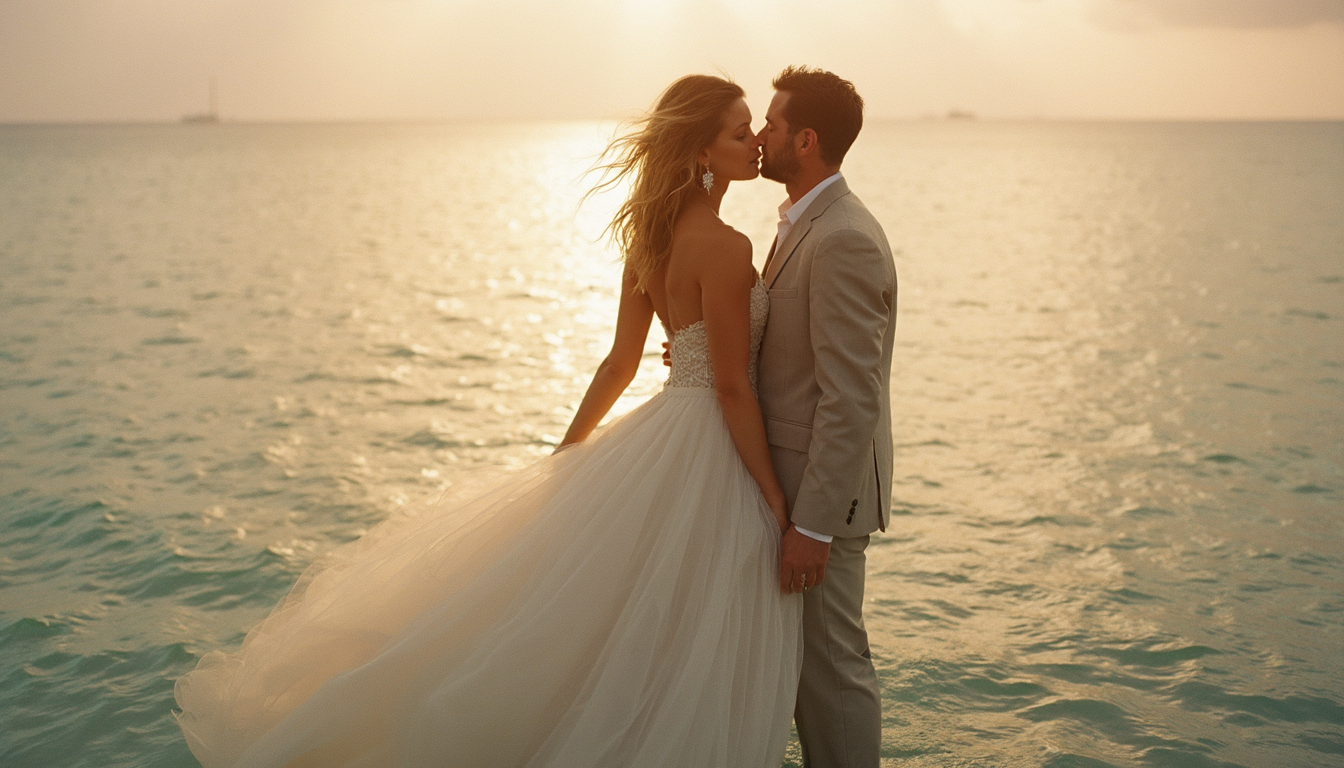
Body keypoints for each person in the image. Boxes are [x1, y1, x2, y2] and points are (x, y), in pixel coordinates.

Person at [174, 74, 803, 768]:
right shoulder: (725, 246)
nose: (753, 143)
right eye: (739, 132)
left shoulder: (649, 240)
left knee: (610, 624)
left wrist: (570, 455)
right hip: (708, 443)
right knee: (688, 635)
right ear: (699, 151)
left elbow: (619, 365)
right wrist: (774, 497)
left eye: (753, 130)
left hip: (662, 434)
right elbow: (732, 389)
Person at [757, 66, 897, 767]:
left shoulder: (843, 237)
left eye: (772, 125)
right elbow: (794, 358)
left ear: (805, 140)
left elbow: (851, 396)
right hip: (793, 490)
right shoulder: (802, 224)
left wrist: (810, 526)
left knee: (831, 670)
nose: (760, 135)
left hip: (824, 504)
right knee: (807, 669)